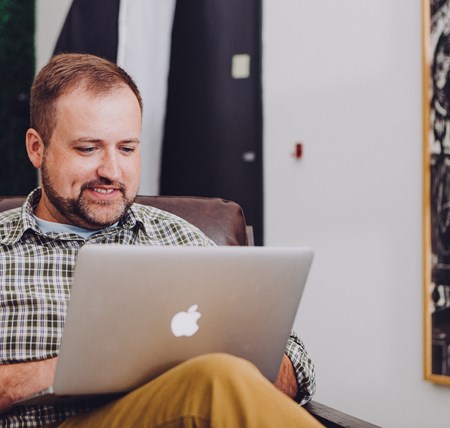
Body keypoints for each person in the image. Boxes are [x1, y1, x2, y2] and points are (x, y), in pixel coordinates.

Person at [0, 53, 321, 427]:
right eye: (88, 149)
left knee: (217, 376)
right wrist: (69, 369)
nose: (111, 171)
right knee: (214, 381)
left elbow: (297, 369)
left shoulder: (178, 237)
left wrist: (229, 353)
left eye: (127, 148)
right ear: (37, 148)